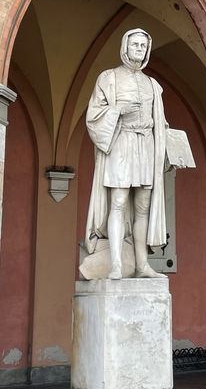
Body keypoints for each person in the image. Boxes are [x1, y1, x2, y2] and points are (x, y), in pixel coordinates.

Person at [84, 29, 167, 279]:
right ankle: (117, 264)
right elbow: (93, 116)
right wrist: (117, 110)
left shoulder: (152, 84)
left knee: (143, 206)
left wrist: (168, 140)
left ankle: (142, 265)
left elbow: (159, 121)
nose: (139, 49)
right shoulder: (108, 78)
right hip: (120, 142)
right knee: (118, 202)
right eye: (135, 45)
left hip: (146, 145)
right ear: (125, 47)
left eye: (143, 45)